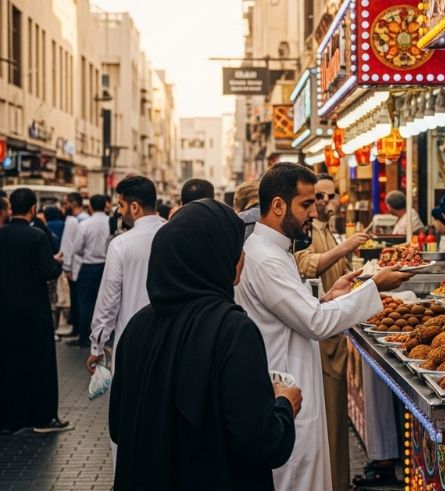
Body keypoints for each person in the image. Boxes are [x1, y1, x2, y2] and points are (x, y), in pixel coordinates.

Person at [235, 162, 413, 491]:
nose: (314, 213)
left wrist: (330, 297)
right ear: (278, 205)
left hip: (293, 380)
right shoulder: (265, 258)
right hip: (286, 385)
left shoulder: (275, 252)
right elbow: (315, 322)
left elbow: (302, 313)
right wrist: (374, 285)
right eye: (306, 204)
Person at [109, 199, 300, 491]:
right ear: (217, 256)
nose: (243, 258)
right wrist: (284, 404)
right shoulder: (233, 331)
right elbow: (263, 443)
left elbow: (119, 427)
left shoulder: (136, 327)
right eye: (237, 249)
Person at [293, 173, 369, 491]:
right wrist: (346, 248)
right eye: (316, 199)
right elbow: (305, 265)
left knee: (335, 419)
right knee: (327, 420)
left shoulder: (328, 230)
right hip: (321, 336)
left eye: (329, 196)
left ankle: (339, 481)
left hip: (335, 332)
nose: (324, 204)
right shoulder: (305, 232)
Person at [0, 188, 71, 433]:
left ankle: (11, 418)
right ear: (32, 209)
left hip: (5, 310)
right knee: (40, 364)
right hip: (34, 310)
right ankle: (43, 416)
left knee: (9, 362)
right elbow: (48, 271)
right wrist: (57, 262)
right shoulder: (36, 237)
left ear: (11, 208)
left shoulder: (2, 234)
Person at [86, 176, 165, 374]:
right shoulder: (175, 235)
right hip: (169, 338)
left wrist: (97, 345)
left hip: (131, 337)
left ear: (135, 207)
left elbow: (108, 300)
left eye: (121, 205)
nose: (119, 212)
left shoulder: (121, 244)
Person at [69, 194, 110, 347]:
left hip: (87, 267)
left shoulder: (85, 224)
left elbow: (77, 248)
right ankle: (102, 336)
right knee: (104, 304)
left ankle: (84, 337)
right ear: (105, 205)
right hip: (105, 267)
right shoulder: (110, 223)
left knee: (85, 303)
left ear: (91, 206)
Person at [59, 192, 89, 337]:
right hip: (83, 266)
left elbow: (70, 246)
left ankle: (78, 329)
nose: (64, 206)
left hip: (76, 267)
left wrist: (67, 267)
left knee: (77, 300)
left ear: (73, 203)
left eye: (66, 203)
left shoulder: (73, 221)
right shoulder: (85, 219)